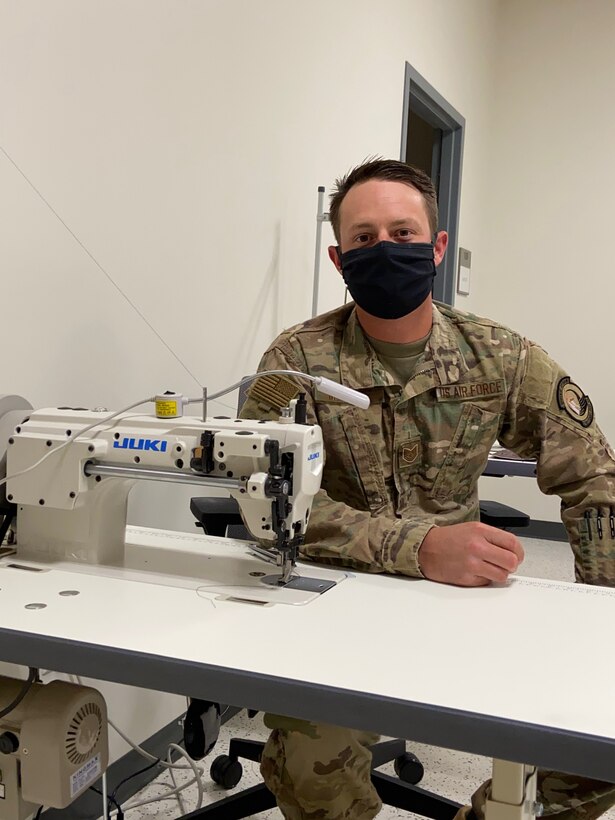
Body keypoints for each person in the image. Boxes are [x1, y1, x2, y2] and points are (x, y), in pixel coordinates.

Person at [239, 158, 615, 820]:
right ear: (337, 257)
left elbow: (592, 476)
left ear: (436, 246)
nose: (384, 248)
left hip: (463, 602)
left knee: (594, 744)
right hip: (335, 597)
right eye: (363, 237)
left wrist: (600, 615)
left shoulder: (498, 355)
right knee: (307, 765)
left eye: (402, 231)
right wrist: (414, 546)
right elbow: (262, 496)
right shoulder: (297, 359)